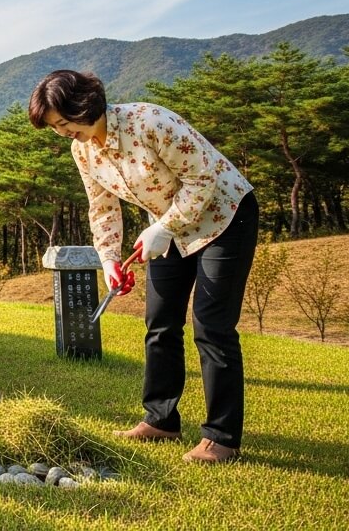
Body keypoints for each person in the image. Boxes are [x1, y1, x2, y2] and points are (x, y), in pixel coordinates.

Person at [28, 69, 257, 464]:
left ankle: (221, 438)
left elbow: (203, 179)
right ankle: (160, 420)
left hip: (224, 217)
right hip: (169, 228)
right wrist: (109, 260)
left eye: (65, 123)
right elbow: (102, 207)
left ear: (85, 105)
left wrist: (163, 228)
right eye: (55, 128)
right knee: (160, 321)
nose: (63, 133)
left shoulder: (150, 121)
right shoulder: (82, 150)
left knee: (211, 325)